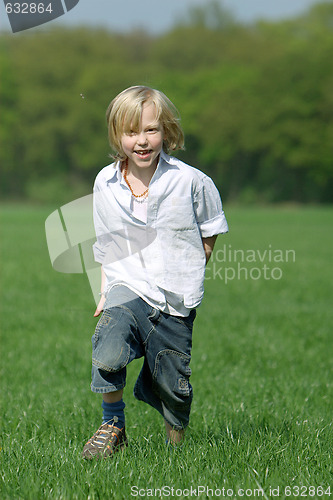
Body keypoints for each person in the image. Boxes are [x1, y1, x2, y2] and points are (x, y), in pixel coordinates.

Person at [82, 85, 228, 459]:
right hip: (126, 286)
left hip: (176, 298)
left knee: (173, 386)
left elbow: (210, 228)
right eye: (132, 132)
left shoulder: (191, 181)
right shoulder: (105, 182)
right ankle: (112, 425)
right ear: (117, 135)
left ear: (166, 131)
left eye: (151, 130)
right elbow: (107, 242)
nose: (142, 141)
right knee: (109, 348)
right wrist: (104, 291)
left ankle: (175, 457)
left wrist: (193, 267)